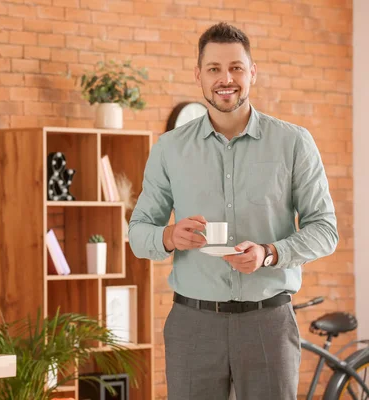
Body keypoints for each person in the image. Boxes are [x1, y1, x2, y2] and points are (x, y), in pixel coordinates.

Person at [128, 22, 338, 400]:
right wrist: (168, 236)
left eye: (236, 68)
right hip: (193, 325)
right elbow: (138, 232)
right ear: (199, 75)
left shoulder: (293, 143)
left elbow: (325, 229)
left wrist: (270, 253)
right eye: (214, 69)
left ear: (252, 72)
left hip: (268, 323)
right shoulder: (169, 149)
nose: (226, 79)